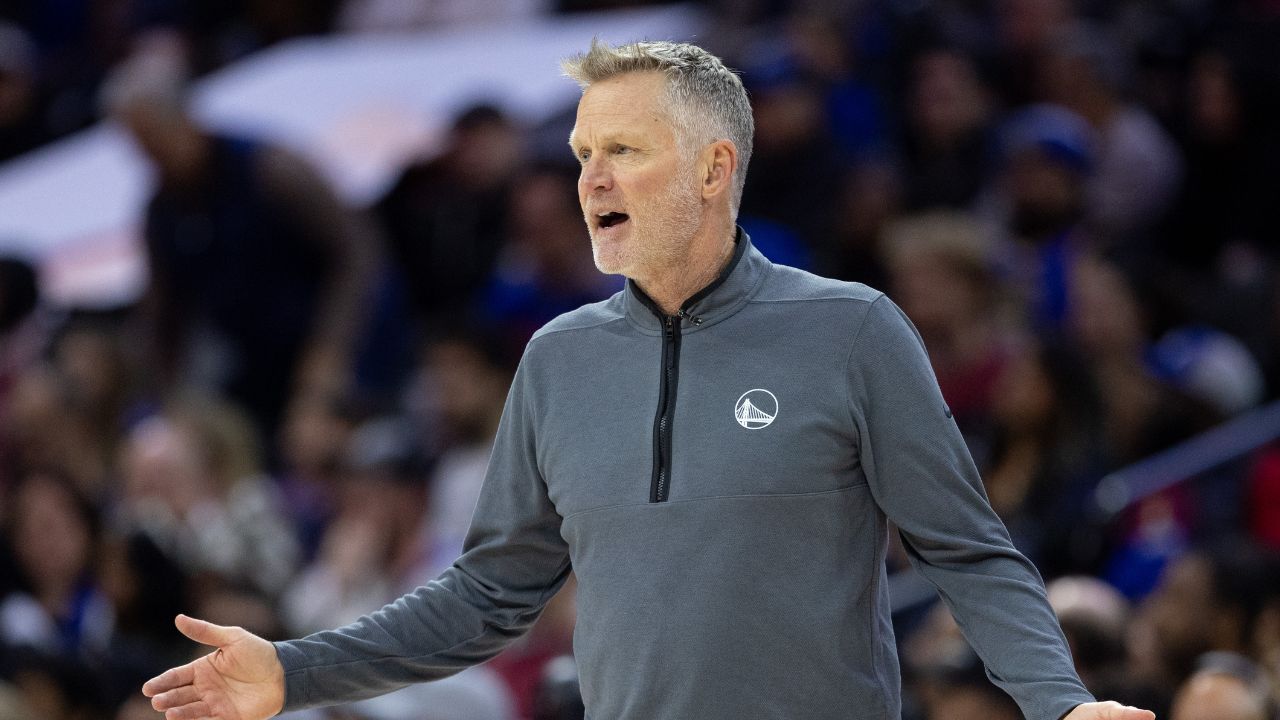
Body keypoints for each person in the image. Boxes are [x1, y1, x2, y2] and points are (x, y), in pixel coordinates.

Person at [143, 40, 1154, 720]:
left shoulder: (849, 330)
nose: (588, 180)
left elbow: (968, 552)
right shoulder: (556, 359)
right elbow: (490, 594)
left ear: (713, 169)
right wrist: (295, 667)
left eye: (622, 150)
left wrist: (1059, 704)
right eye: (584, 152)